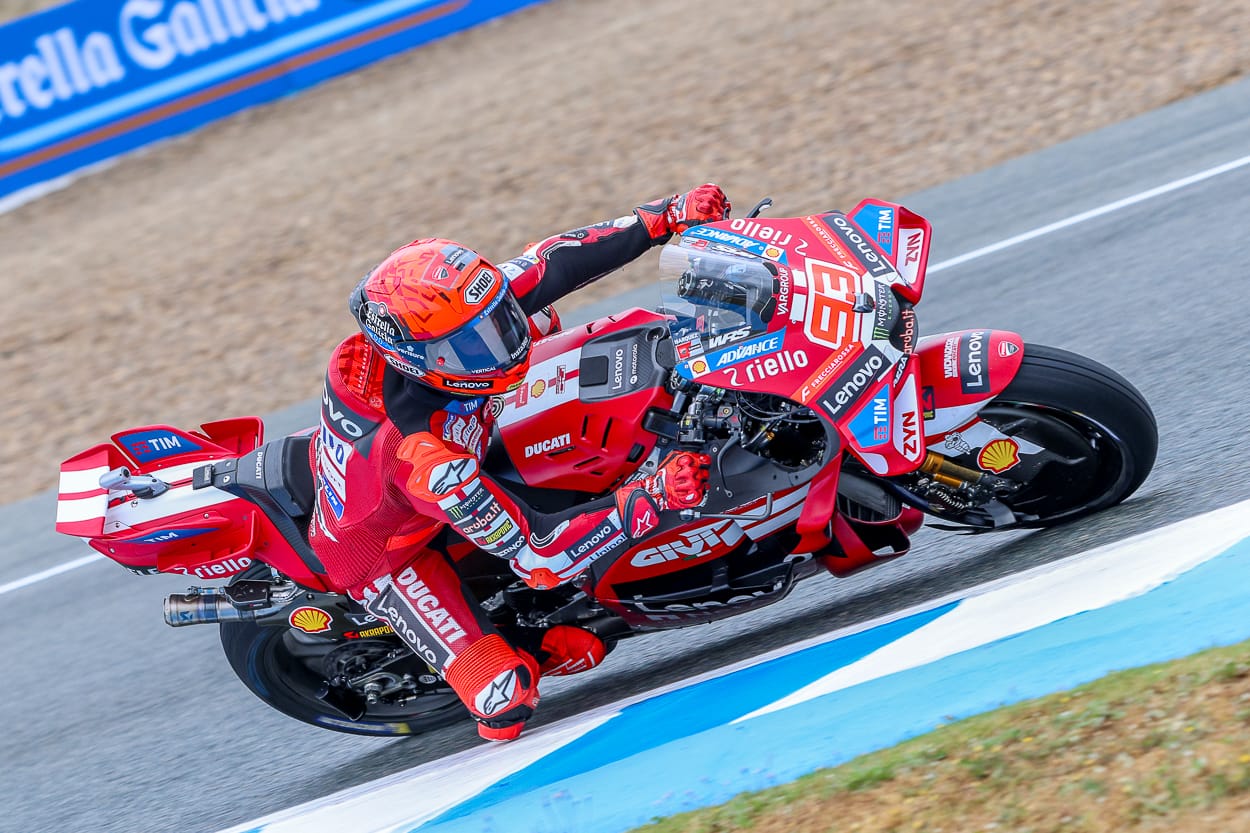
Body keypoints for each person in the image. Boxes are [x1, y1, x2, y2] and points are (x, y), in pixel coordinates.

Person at [307, 184, 729, 740]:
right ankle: (529, 644)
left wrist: (663, 218)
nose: (497, 342)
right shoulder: (425, 457)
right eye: (473, 346)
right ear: (418, 361)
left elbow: (551, 263)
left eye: (495, 320)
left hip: (462, 438)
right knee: (505, 699)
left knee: (575, 343)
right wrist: (650, 497)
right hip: (387, 552)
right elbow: (540, 555)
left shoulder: (450, 317)